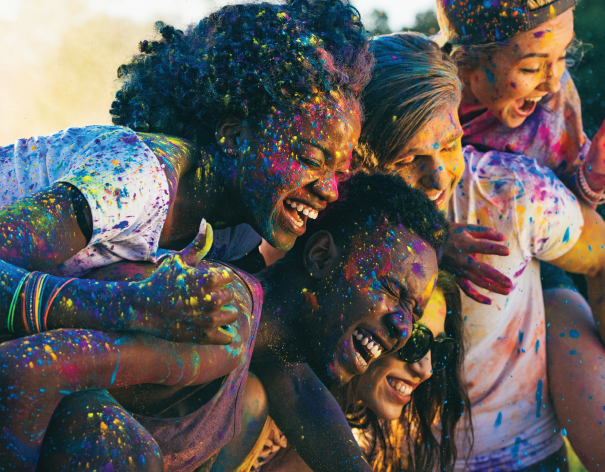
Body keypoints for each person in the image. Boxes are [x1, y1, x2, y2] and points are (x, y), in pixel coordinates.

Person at [351, 32, 605, 470]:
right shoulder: (326, 219)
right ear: (360, 162)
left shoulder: (509, 193)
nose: (438, 177)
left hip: (526, 458)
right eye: (407, 160)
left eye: (449, 145)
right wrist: (428, 249)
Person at [0, 172, 448, 472]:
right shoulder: (218, 314)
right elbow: (23, 369)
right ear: (320, 256)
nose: (402, 330)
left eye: (413, 313)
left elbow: (307, 402)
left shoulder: (267, 364)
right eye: (392, 290)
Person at [0, 0, 371, 346]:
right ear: (234, 136)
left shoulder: (237, 233)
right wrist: (130, 307)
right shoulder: (136, 177)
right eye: (309, 158)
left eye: (339, 173)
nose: (331, 190)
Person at [436, 0, 605, 451]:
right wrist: (432, 236)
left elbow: (566, 204)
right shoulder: (415, 91)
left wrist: (592, 178)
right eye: (533, 66)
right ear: (466, 62)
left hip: (530, 270)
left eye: (564, 57)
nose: (553, 80)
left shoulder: (553, 99)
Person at [232, 272, 471, 472]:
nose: (426, 369)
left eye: (439, 349)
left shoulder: (355, 435)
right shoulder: (257, 393)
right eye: (413, 341)